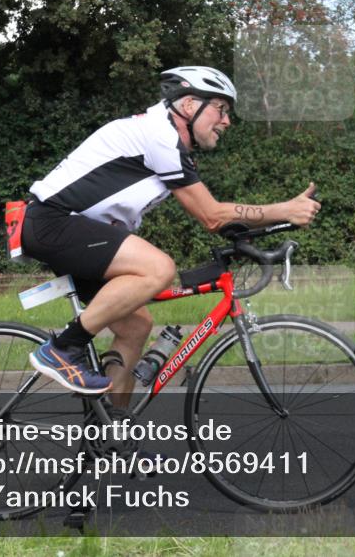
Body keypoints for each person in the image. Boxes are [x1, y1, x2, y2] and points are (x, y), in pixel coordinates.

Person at [22, 66, 321, 405]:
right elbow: (211, 215)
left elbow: (221, 220)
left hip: (74, 232)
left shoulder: (170, 144)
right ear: (190, 105)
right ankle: (61, 349)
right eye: (221, 109)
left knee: (135, 329)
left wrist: (264, 231)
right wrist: (284, 210)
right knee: (159, 269)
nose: (227, 121)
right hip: (52, 221)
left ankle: (111, 444)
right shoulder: (159, 136)